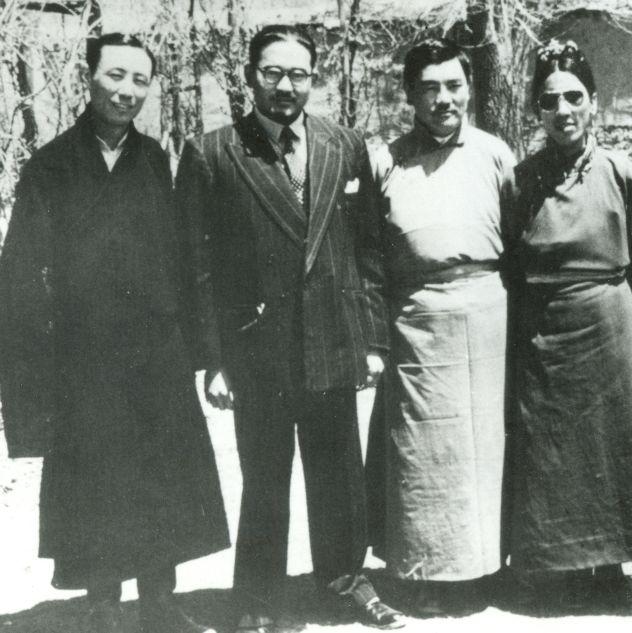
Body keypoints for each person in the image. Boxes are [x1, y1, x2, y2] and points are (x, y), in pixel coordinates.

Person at [175, 24, 405, 633]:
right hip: (259, 349)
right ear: (250, 76)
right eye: (273, 72)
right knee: (266, 479)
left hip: (333, 340)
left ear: (314, 78)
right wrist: (214, 360)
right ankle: (257, 600)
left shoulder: (345, 144)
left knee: (339, 475)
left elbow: (367, 250)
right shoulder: (214, 152)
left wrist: (373, 340)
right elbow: (196, 270)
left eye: (298, 74)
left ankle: (345, 582)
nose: (285, 85)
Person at [0, 33, 229, 633]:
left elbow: (183, 259)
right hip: (83, 356)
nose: (128, 91)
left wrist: (200, 351)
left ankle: (158, 597)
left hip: (155, 353)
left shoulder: (156, 159)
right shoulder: (49, 165)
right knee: (95, 477)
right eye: (116, 76)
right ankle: (102, 602)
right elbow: (21, 275)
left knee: (160, 472)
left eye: (140, 80)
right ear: (88, 78)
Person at [505, 39, 632, 611]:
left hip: (609, 327)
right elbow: (510, 261)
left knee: (612, 448)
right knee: (553, 451)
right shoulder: (520, 180)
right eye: (550, 101)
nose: (564, 110)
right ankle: (557, 569)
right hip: (545, 332)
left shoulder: (620, 172)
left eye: (575, 97)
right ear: (537, 111)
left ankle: (613, 566)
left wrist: (615, 313)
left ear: (594, 103)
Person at [365, 39, 516, 615]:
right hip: (416, 320)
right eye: (429, 87)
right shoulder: (385, 159)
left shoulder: (495, 154)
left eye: (453, 85)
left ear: (470, 88)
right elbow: (368, 251)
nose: (443, 99)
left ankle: (488, 565)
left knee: (487, 447)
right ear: (409, 95)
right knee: (423, 453)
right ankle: (423, 572)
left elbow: (519, 239)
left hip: (487, 313)